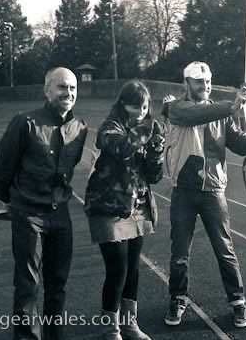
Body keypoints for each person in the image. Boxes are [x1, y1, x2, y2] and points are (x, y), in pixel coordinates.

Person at [164, 61, 246, 328]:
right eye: (199, 82)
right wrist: (231, 106)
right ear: (186, 84)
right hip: (184, 189)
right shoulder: (175, 107)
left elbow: (237, 144)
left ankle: (238, 302)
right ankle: (178, 298)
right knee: (180, 252)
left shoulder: (221, 113)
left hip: (214, 189)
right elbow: (194, 116)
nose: (206, 86)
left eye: (208, 81)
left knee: (225, 250)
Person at [0, 67, 88, 340]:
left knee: (57, 284)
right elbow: (3, 168)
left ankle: (53, 336)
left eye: (72, 88)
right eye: (61, 87)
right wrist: (9, 200)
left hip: (61, 215)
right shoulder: (24, 123)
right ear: (46, 90)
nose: (68, 93)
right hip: (28, 213)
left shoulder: (79, 128)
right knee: (27, 284)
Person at [84, 80, 165, 340]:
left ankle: (130, 325)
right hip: (109, 208)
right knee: (117, 269)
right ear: (122, 104)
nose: (140, 111)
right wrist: (149, 128)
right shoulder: (111, 127)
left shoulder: (145, 130)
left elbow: (154, 176)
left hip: (138, 207)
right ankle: (110, 328)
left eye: (144, 107)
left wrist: (156, 150)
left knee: (132, 268)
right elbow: (122, 147)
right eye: (134, 106)